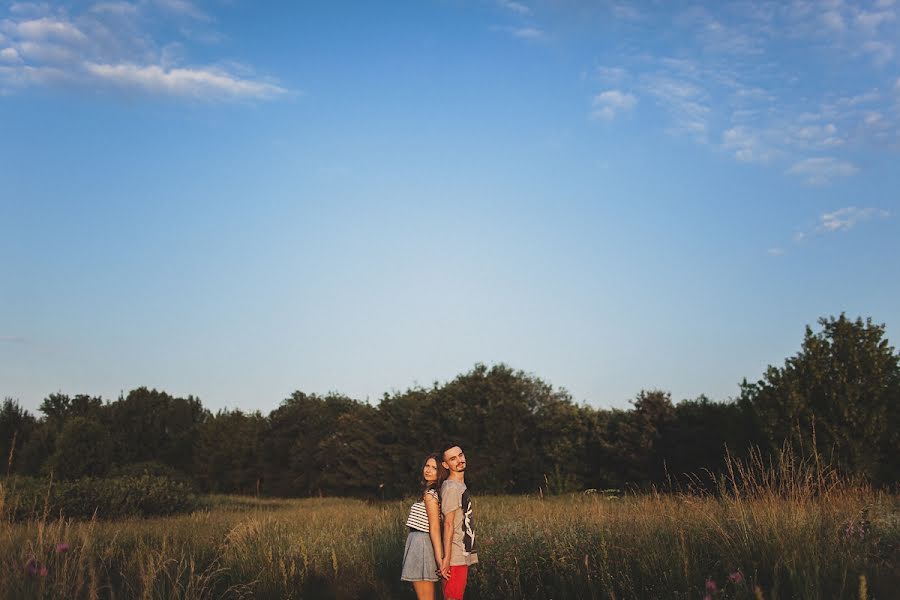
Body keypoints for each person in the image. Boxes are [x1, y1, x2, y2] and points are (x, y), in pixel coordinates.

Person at [401, 453, 447, 599]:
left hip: (422, 543)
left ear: (440, 473)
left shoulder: (430, 494)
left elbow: (434, 527)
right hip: (418, 542)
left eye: (434, 468)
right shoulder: (431, 492)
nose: (428, 470)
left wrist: (440, 559)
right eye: (427, 465)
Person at [440, 444, 478, 600]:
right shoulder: (451, 488)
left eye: (460, 455)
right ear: (445, 465)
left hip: (461, 552)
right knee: (453, 597)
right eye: (453, 459)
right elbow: (447, 525)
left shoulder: (460, 485)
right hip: (455, 554)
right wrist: (447, 559)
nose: (459, 460)